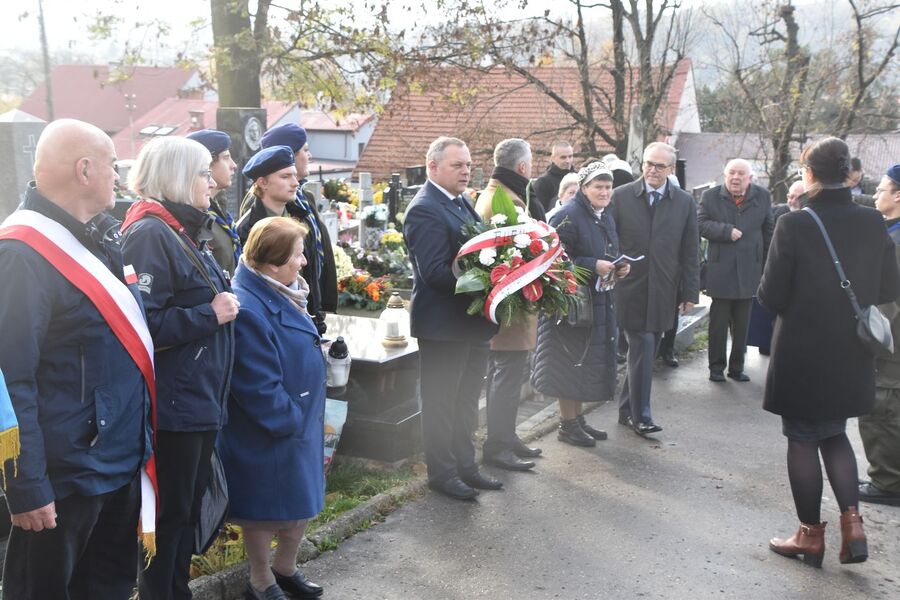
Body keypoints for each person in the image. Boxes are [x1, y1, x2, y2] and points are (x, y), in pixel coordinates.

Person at [0, 119, 153, 599]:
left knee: (106, 589)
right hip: (65, 479)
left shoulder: (101, 236)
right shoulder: (22, 255)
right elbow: (10, 381)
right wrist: (27, 488)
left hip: (117, 461)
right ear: (84, 170)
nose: (118, 174)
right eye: (112, 164)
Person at [760, 137, 900, 568]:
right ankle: (852, 526)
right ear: (848, 173)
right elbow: (888, 288)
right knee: (835, 434)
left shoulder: (795, 223)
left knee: (802, 439)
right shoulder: (873, 221)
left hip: (803, 351)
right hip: (850, 351)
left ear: (810, 174)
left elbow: (770, 294)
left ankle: (809, 536)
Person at [120, 136, 238, 599]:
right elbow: (141, 323)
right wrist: (211, 314)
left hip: (198, 396)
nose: (211, 182)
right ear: (177, 178)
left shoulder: (183, 229)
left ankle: (175, 590)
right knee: (170, 515)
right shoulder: (150, 234)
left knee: (186, 510)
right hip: (175, 404)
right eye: (203, 174)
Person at [219, 217, 326, 600]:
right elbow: (257, 384)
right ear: (271, 263)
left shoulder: (284, 289)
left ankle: (287, 568)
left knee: (302, 501)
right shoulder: (250, 307)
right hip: (273, 427)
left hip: (300, 422)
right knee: (265, 511)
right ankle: (261, 579)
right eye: (297, 255)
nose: (303, 262)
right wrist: (289, 419)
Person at [404, 137, 501, 500]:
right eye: (457, 165)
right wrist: (491, 282)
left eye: (468, 165)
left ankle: (466, 466)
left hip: (471, 325)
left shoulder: (462, 201)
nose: (466, 171)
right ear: (433, 167)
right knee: (442, 403)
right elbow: (434, 273)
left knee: (465, 402)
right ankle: (442, 473)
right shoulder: (424, 208)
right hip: (443, 326)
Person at [532, 161, 630, 446]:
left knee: (582, 364)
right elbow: (552, 262)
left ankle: (577, 420)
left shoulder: (604, 214)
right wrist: (592, 265)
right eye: (598, 187)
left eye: (608, 187)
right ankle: (567, 424)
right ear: (584, 188)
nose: (604, 192)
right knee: (569, 364)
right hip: (571, 307)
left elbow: (608, 250)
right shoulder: (567, 215)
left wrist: (618, 265)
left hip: (596, 300)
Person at [609, 142, 700, 436]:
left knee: (647, 349)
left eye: (660, 166)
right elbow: (609, 241)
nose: (652, 170)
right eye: (648, 163)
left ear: (671, 169)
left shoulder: (684, 202)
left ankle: (626, 409)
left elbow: (689, 251)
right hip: (629, 288)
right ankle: (641, 416)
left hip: (664, 289)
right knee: (642, 345)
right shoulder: (621, 197)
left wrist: (689, 293)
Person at [474, 139, 544, 470]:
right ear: (522, 168)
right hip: (510, 306)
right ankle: (498, 446)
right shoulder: (505, 201)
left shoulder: (499, 193)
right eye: (531, 163)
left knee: (510, 374)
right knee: (506, 374)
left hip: (511, 303)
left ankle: (507, 435)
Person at [239, 123, 337, 334]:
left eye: (294, 176)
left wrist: (318, 306)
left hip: (304, 309)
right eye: (286, 176)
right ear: (263, 182)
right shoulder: (252, 225)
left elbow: (311, 259)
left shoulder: (297, 208)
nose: (294, 183)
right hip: (275, 319)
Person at [698, 159, 774, 383]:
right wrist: (725, 231)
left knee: (743, 324)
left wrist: (769, 263)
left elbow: (768, 230)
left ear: (750, 178)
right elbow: (700, 223)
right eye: (732, 173)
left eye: (741, 174)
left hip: (751, 268)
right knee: (718, 325)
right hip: (721, 269)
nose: (736, 178)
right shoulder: (711, 197)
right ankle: (716, 368)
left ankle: (737, 368)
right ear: (725, 175)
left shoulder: (762, 196)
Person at [858, 164, 900, 507]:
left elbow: (888, 301)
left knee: (882, 408)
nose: (875, 194)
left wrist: (870, 340)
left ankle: (887, 482)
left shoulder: (896, 239)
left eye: (882, 189)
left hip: (891, 345)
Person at [187, 129, 241, 277]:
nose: (233, 165)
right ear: (207, 165)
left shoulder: (219, 208)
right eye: (226, 158)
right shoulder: (194, 215)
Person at [532, 141, 575, 212]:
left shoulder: (578, 178)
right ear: (553, 158)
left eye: (570, 156)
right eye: (563, 157)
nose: (568, 161)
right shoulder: (543, 182)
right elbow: (539, 211)